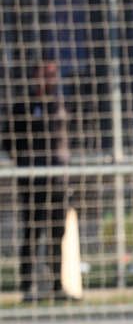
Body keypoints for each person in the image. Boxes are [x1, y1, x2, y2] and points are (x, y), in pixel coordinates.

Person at [4, 60, 71, 302]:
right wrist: (24, 163)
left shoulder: (61, 103)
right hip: (33, 179)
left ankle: (57, 285)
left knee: (57, 232)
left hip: (58, 178)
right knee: (33, 231)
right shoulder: (23, 105)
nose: (51, 78)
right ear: (35, 76)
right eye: (46, 73)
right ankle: (28, 286)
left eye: (54, 74)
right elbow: (9, 139)